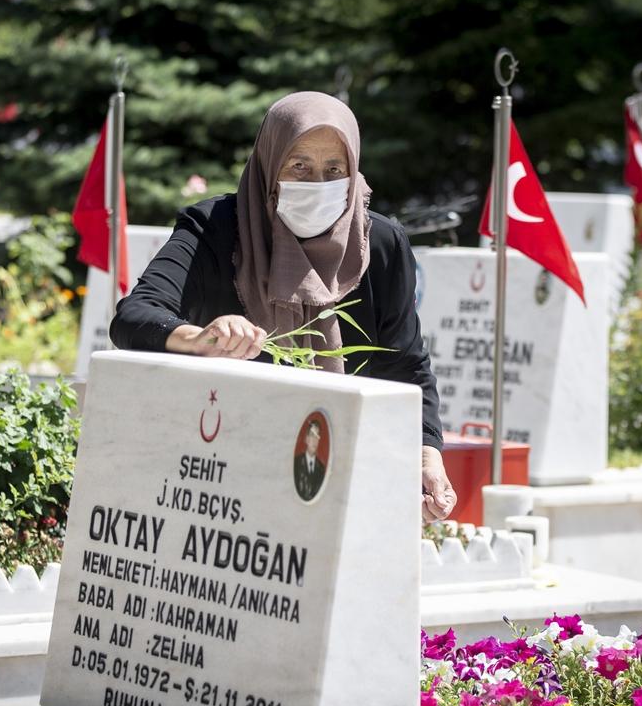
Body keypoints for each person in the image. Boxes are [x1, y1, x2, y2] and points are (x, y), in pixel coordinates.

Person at [110, 91, 456, 522]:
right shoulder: (215, 229)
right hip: (226, 476)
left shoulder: (379, 245)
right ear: (270, 166)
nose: (317, 184)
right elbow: (134, 316)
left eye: (334, 169)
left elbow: (405, 365)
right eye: (299, 166)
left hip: (343, 472)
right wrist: (198, 339)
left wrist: (426, 454)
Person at [293, 419, 327, 501]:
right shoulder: (296, 463)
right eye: (312, 435)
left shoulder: (321, 468)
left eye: (317, 436)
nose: (315, 440)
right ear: (307, 439)